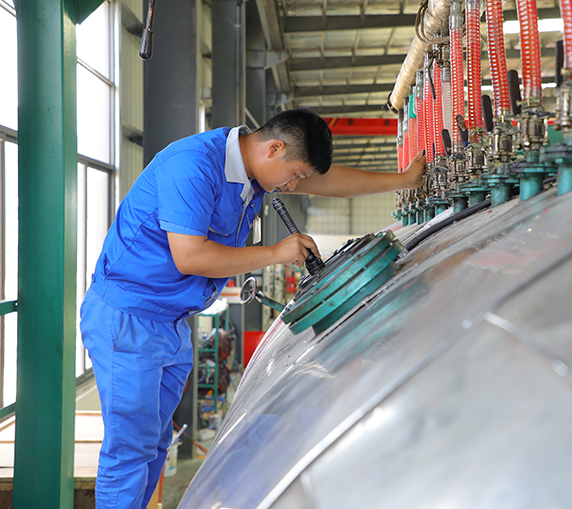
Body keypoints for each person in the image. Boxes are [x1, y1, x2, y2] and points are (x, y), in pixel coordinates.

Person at [80, 108, 426, 508]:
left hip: (170, 321)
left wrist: (404, 180)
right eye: (294, 174)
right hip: (129, 319)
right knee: (130, 450)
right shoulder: (193, 165)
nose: (294, 185)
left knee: (155, 443)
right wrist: (276, 253)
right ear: (274, 148)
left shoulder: (254, 174)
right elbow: (190, 257)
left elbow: (327, 182)